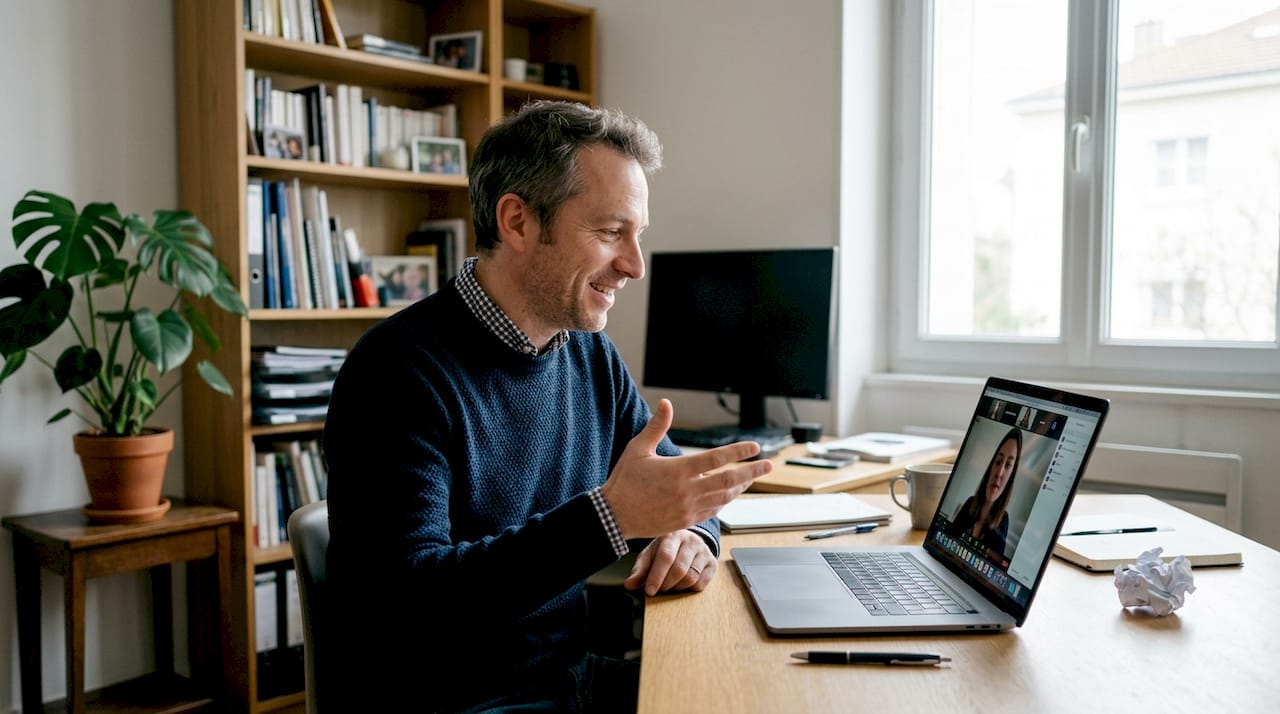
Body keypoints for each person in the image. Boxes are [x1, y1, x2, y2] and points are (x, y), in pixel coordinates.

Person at [322, 100, 773, 712]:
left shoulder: (589, 355)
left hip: (566, 681)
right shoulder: (396, 372)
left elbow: (677, 484)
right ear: (518, 221)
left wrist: (693, 535)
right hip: (455, 700)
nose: (635, 265)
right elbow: (411, 602)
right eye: (611, 233)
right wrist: (610, 518)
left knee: (755, 695)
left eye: (638, 236)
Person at [950, 427, 1021, 557]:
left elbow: (996, 564)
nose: (999, 473)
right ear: (991, 467)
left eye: (1008, 465)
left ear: (1011, 477)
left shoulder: (1003, 520)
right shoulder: (970, 503)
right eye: (998, 462)